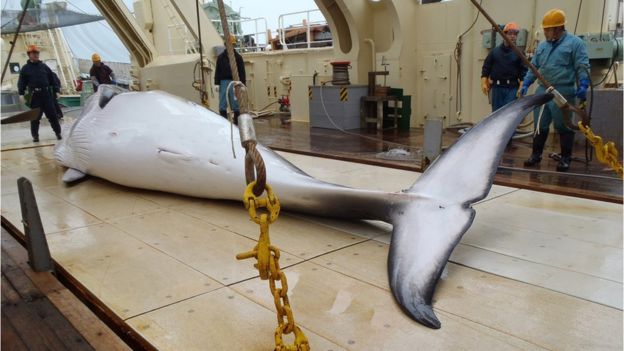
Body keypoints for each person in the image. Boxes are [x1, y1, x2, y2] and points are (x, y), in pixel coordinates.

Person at [520, 9, 590, 172]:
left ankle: (565, 158)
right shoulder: (543, 46)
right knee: (540, 125)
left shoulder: (575, 44)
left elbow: (582, 65)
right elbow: (534, 66)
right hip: (542, 91)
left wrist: (584, 83)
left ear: (558, 28)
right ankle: (535, 155)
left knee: (563, 125)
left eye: (547, 29)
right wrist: (526, 82)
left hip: (563, 91)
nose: (544, 32)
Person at [18, 44, 62, 142]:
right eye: (33, 53)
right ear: (29, 55)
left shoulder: (44, 67)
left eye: (37, 53)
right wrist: (21, 93)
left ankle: (58, 133)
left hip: (47, 95)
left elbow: (53, 79)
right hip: (35, 97)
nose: (36, 55)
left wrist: (57, 90)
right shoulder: (25, 69)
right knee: (35, 118)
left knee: (53, 116)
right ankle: (35, 136)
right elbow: (21, 81)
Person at [481, 22, 527, 112]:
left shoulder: (520, 53)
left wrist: (522, 84)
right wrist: (483, 80)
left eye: (515, 34)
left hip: (512, 89)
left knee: (509, 114)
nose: (513, 36)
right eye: (510, 34)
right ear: (503, 35)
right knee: (496, 116)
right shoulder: (494, 52)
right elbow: (486, 67)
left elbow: (524, 71)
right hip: (497, 89)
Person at [214, 35, 246, 124]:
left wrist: (242, 84)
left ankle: (237, 123)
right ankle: (223, 122)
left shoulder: (238, 58)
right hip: (223, 82)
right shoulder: (220, 58)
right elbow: (218, 71)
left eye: (232, 44)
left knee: (235, 103)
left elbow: (242, 72)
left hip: (235, 82)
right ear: (225, 44)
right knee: (222, 103)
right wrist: (216, 83)